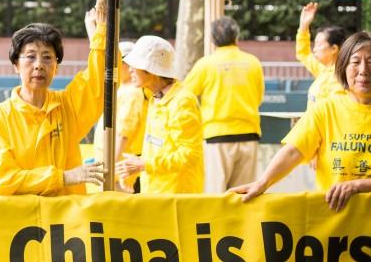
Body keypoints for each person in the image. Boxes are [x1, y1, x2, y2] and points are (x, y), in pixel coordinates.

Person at [0, 0, 108, 196]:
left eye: (47, 57)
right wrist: (64, 177)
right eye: (30, 57)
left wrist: (102, 26)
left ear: (56, 66)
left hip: (65, 224)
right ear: (16, 65)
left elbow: (102, 78)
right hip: (20, 224)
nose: (39, 65)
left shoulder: (67, 106)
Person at [231, 31, 371, 211]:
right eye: (355, 62)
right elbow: (293, 151)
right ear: (343, 66)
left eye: (370, 62)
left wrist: (358, 186)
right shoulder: (326, 109)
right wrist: (262, 183)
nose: (363, 71)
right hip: (338, 222)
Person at [183, 17, 264, 192]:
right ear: (237, 37)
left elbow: (184, 96)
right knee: (243, 197)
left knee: (215, 196)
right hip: (249, 135)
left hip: (216, 138)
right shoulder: (253, 62)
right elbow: (258, 98)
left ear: (213, 40)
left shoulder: (205, 64)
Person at [115, 36, 203, 194]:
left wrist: (143, 165)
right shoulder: (155, 97)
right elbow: (153, 147)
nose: (130, 69)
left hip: (177, 198)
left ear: (151, 70)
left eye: (135, 65)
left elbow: (190, 156)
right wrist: (134, 171)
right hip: (156, 194)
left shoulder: (182, 101)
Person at [93, 40, 150, 193]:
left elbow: (123, 134)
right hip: (114, 165)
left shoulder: (132, 93)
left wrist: (111, 170)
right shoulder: (122, 88)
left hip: (119, 169)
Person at [296, 2, 346, 108]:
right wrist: (303, 26)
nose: (314, 49)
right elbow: (303, 54)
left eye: (319, 44)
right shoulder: (323, 69)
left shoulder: (339, 78)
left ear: (334, 49)